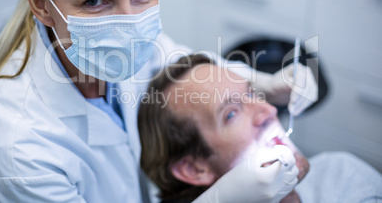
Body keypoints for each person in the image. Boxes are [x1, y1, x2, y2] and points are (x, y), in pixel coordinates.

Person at [0, 0, 317, 202]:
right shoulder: (17, 151)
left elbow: (180, 72)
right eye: (96, 1)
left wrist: (265, 83)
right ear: (41, 4)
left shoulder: (121, 45)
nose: (129, 23)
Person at [138, 54, 382, 203]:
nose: (269, 111)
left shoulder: (343, 173)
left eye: (252, 94)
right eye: (231, 114)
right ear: (194, 168)